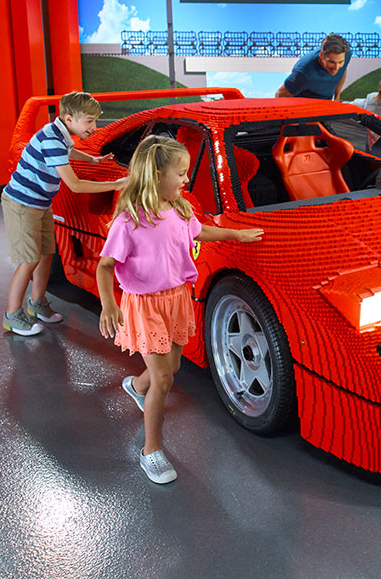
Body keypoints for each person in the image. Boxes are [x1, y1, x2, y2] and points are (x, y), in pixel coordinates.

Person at [96, 135, 263, 484]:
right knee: (165, 378)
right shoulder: (130, 221)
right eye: (182, 173)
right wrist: (109, 305)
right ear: (157, 176)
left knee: (170, 365)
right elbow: (105, 265)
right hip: (147, 305)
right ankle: (151, 451)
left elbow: (203, 234)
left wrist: (236, 236)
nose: (186, 180)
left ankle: (136, 386)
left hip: (176, 298)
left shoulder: (180, 209)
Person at [2, 91, 127, 336]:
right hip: (22, 205)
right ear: (69, 119)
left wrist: (93, 161)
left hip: (40, 202)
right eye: (89, 121)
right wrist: (116, 184)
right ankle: (12, 315)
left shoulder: (60, 133)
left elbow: (68, 150)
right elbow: (75, 185)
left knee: (46, 253)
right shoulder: (51, 139)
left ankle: (37, 304)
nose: (93, 126)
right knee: (29, 260)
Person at [275, 33, 351, 101]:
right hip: (304, 106)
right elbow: (279, 95)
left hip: (326, 102)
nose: (336, 67)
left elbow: (343, 70)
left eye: (340, 62)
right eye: (331, 62)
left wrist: (337, 97)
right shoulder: (303, 72)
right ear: (321, 55)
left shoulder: (346, 55)